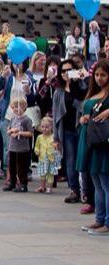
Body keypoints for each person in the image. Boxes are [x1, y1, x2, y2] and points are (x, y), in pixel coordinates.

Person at [79, 60, 109, 235]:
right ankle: (100, 218)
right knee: (97, 183)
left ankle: (107, 222)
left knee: (105, 183)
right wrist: (83, 118)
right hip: (90, 139)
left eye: (103, 75)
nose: (99, 78)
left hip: (103, 143)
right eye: (97, 75)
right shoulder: (93, 93)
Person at [54, 58, 86, 203]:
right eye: (63, 71)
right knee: (70, 161)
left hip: (80, 128)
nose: (66, 73)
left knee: (83, 160)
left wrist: (78, 81)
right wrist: (56, 138)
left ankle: (86, 190)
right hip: (66, 130)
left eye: (69, 70)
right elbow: (56, 116)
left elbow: (82, 106)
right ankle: (74, 190)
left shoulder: (81, 86)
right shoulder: (58, 92)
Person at [4, 97, 32, 192]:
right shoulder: (13, 119)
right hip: (13, 147)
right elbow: (8, 130)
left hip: (22, 148)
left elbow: (30, 133)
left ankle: (23, 184)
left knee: (22, 167)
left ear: (24, 107)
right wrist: (11, 131)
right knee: (12, 166)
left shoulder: (27, 120)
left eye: (18, 107)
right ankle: (12, 182)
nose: (16, 109)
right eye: (14, 107)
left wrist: (20, 133)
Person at [35, 116, 59, 193]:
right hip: (42, 159)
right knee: (42, 174)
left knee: (50, 175)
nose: (44, 129)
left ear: (51, 127)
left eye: (47, 127)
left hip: (51, 159)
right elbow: (36, 146)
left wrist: (56, 146)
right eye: (42, 127)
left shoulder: (53, 137)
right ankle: (42, 187)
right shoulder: (39, 137)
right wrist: (37, 151)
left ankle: (49, 188)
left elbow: (57, 147)